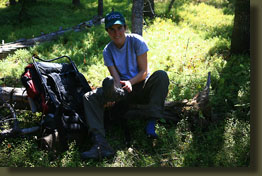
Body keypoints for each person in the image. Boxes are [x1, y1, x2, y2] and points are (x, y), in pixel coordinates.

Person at [81, 11, 169, 160]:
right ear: (108, 31)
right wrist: (112, 93)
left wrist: (130, 82)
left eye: (119, 28)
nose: (116, 33)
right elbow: (116, 79)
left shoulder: (136, 41)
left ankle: (152, 121)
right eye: (112, 30)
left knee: (161, 75)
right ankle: (100, 145)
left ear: (125, 27)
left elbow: (144, 71)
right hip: (122, 91)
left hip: (140, 85)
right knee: (89, 97)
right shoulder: (107, 51)